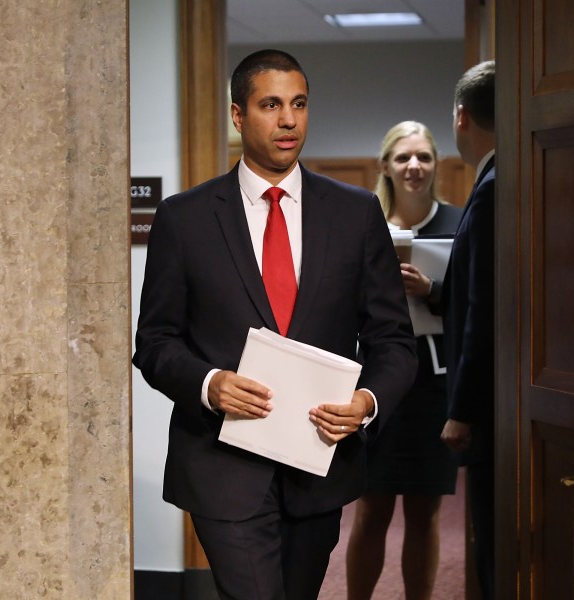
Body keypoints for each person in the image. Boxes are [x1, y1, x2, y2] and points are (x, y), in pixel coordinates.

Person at [132, 49, 417, 600]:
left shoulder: (356, 214)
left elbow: (393, 341)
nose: (289, 120)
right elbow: (155, 341)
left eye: (299, 104)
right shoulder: (184, 218)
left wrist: (367, 402)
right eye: (271, 105)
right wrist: (209, 384)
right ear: (239, 116)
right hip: (221, 466)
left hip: (318, 464)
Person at [345, 121, 460, 600]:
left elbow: (482, 303)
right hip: (378, 383)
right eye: (403, 158)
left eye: (424, 157)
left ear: (435, 165)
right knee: (371, 509)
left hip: (434, 385)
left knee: (424, 510)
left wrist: (430, 290)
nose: (414, 167)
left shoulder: (459, 222)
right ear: (386, 167)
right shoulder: (364, 223)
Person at [439, 60, 496, 600]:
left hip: (489, 410)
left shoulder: (491, 190)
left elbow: (484, 310)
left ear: (462, 117)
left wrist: (461, 408)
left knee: (495, 550)